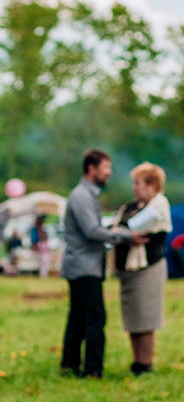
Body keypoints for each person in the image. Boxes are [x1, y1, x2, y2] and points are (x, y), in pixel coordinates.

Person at [60, 149, 146, 378]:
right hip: (84, 266)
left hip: (82, 265)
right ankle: (93, 370)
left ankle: (69, 365)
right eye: (106, 167)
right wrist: (126, 236)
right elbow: (91, 231)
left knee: (78, 317)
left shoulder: (86, 195)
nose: (109, 172)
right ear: (92, 168)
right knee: (96, 317)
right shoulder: (82, 196)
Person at [113, 163, 171, 375]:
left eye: (138, 183)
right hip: (128, 271)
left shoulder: (158, 205)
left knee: (146, 316)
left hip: (148, 269)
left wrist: (120, 232)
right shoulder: (129, 206)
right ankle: (136, 359)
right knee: (133, 317)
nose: (134, 187)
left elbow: (132, 227)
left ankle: (145, 363)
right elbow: (116, 228)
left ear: (151, 185)